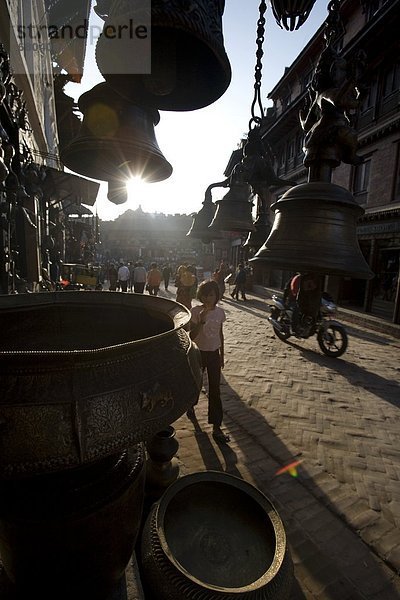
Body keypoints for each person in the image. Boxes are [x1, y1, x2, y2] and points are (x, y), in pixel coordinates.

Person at [189, 279, 229, 442]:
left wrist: (222, 355)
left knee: (215, 390)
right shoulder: (195, 311)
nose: (208, 298)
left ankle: (216, 427)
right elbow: (191, 336)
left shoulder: (220, 313)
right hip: (198, 353)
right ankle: (190, 404)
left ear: (216, 296)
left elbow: (220, 334)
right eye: (205, 295)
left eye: (211, 295)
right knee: (196, 384)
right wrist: (202, 319)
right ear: (200, 295)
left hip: (213, 354)